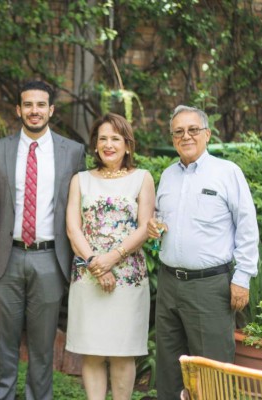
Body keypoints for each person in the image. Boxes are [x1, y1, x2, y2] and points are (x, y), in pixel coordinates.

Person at [148, 105, 259, 399]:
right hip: (169, 284)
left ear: (207, 134)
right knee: (169, 370)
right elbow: (161, 223)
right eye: (179, 131)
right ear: (173, 138)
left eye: (193, 130)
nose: (186, 136)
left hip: (209, 287)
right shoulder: (168, 176)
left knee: (213, 372)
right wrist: (154, 230)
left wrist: (243, 277)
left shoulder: (227, 173)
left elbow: (247, 227)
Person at [0, 80, 86, 400]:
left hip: (50, 258)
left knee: (43, 347)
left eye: (41, 105)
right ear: (18, 110)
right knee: (4, 343)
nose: (34, 111)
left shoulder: (72, 152)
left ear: (51, 110)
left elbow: (82, 207)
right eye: (28, 105)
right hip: (7, 257)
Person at [65, 113, 155, 400]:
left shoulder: (142, 178)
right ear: (94, 145)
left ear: (127, 145)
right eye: (102, 138)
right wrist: (96, 264)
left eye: (115, 138)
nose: (108, 144)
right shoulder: (80, 180)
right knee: (91, 353)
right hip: (88, 276)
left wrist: (112, 258)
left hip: (127, 280)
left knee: (122, 353)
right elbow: (73, 228)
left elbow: (144, 227)